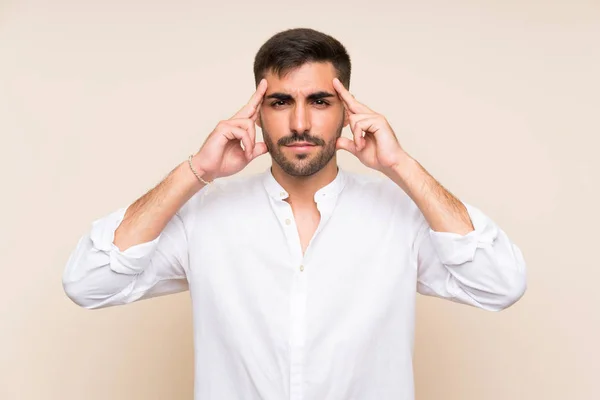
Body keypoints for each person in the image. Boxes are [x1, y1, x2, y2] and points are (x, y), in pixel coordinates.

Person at [62, 27, 527, 400]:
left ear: (347, 112)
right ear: (258, 113)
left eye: (319, 102)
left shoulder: (399, 219)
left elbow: (500, 284)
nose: (301, 123)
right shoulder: (205, 219)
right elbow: (88, 282)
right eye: (280, 102)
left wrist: (400, 166)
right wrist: (196, 171)